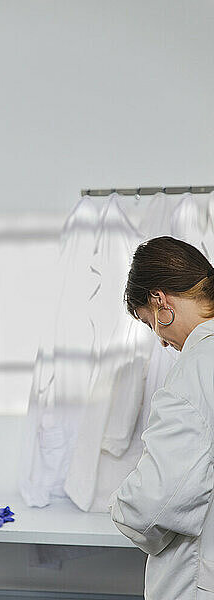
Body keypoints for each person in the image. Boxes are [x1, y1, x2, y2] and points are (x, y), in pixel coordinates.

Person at [109, 236, 214, 599]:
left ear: (160, 302)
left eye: (148, 322)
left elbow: (155, 503)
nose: (161, 340)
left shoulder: (196, 370)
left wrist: (121, 506)